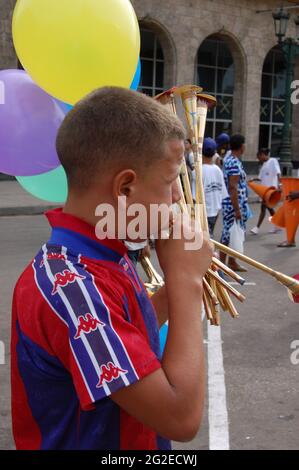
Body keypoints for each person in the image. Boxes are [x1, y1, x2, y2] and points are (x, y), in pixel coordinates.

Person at [11, 87, 213, 450]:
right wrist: (187, 282)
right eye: (169, 183)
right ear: (125, 188)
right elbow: (181, 419)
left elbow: (116, 334)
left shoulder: (101, 253)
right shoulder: (71, 286)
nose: (178, 198)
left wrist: (167, 295)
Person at [220, 134, 249, 272]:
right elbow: (233, 187)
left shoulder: (232, 160)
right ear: (241, 146)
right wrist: (237, 209)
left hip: (235, 203)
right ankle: (221, 263)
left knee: (234, 232)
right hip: (233, 204)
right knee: (228, 233)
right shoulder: (233, 162)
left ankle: (231, 261)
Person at [250, 148, 282, 235]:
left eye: (259, 157)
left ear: (262, 155)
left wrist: (280, 185)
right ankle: (277, 225)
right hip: (264, 191)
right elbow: (260, 177)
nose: (258, 159)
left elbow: (278, 173)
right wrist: (253, 179)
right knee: (269, 209)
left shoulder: (273, 161)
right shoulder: (264, 165)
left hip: (271, 190)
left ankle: (257, 227)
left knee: (263, 208)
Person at [202, 137, 228, 237]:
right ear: (214, 153)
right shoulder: (218, 170)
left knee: (202, 243)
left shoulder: (197, 171)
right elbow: (221, 195)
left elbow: (194, 198)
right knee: (209, 237)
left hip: (203, 214)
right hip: (215, 212)